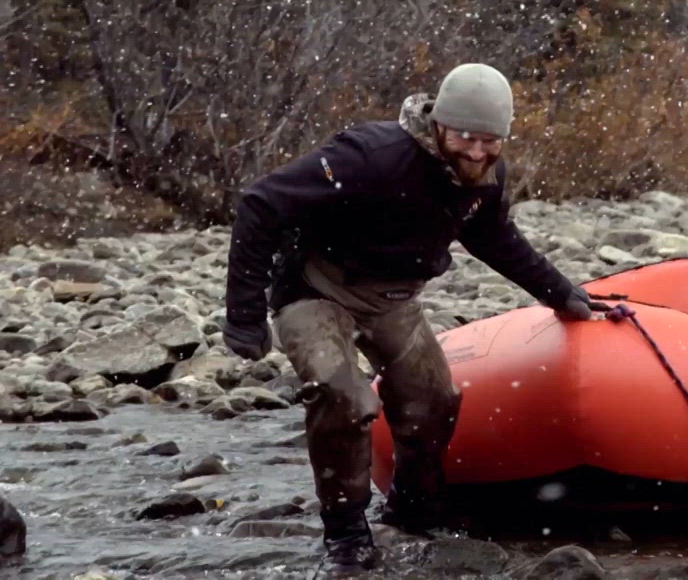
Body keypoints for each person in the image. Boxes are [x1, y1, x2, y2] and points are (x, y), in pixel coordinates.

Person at [220, 64, 596, 570]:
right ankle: (346, 529)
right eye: (466, 137)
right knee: (343, 397)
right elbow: (260, 204)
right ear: (440, 125)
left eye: (491, 141)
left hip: (395, 297)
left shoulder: (484, 176)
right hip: (317, 289)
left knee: (434, 400)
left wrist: (560, 293)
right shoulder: (370, 157)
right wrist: (244, 313)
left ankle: (413, 507)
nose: (478, 152)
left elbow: (493, 238)